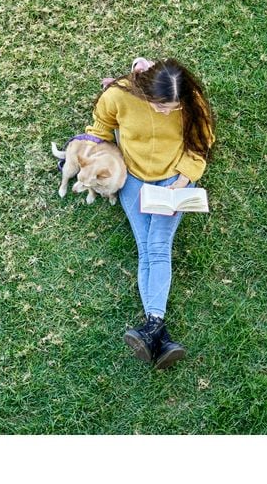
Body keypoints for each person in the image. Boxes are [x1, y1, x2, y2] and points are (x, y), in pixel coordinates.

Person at [86, 57, 216, 369]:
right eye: (161, 106)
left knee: (157, 246)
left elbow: (201, 144)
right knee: (146, 248)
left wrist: (181, 183)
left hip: (175, 178)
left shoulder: (190, 101)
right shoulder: (118, 96)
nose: (167, 111)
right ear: (146, 91)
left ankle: (153, 328)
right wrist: (102, 164)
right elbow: (100, 132)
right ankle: (159, 334)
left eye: (173, 107)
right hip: (133, 179)